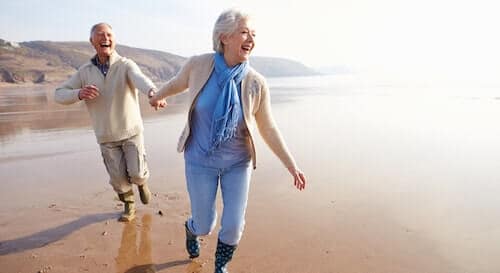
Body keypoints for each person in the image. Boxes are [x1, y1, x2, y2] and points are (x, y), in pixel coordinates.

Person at [149, 9, 306, 273]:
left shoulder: (256, 82)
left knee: (233, 225)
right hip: (199, 161)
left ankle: (221, 267)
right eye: (244, 32)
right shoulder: (199, 65)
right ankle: (191, 230)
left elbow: (267, 127)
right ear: (224, 37)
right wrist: (156, 96)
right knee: (205, 224)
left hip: (238, 163)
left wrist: (291, 165)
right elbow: (177, 83)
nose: (251, 39)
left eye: (253, 34)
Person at [54, 23, 166, 222]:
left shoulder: (125, 65)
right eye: (100, 35)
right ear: (92, 42)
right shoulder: (85, 71)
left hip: (131, 130)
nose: (105, 38)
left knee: (137, 173)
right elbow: (59, 94)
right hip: (105, 135)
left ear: (114, 39)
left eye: (109, 34)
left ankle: (141, 183)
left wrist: (153, 93)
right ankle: (129, 205)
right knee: (118, 179)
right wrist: (78, 93)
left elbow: (141, 79)